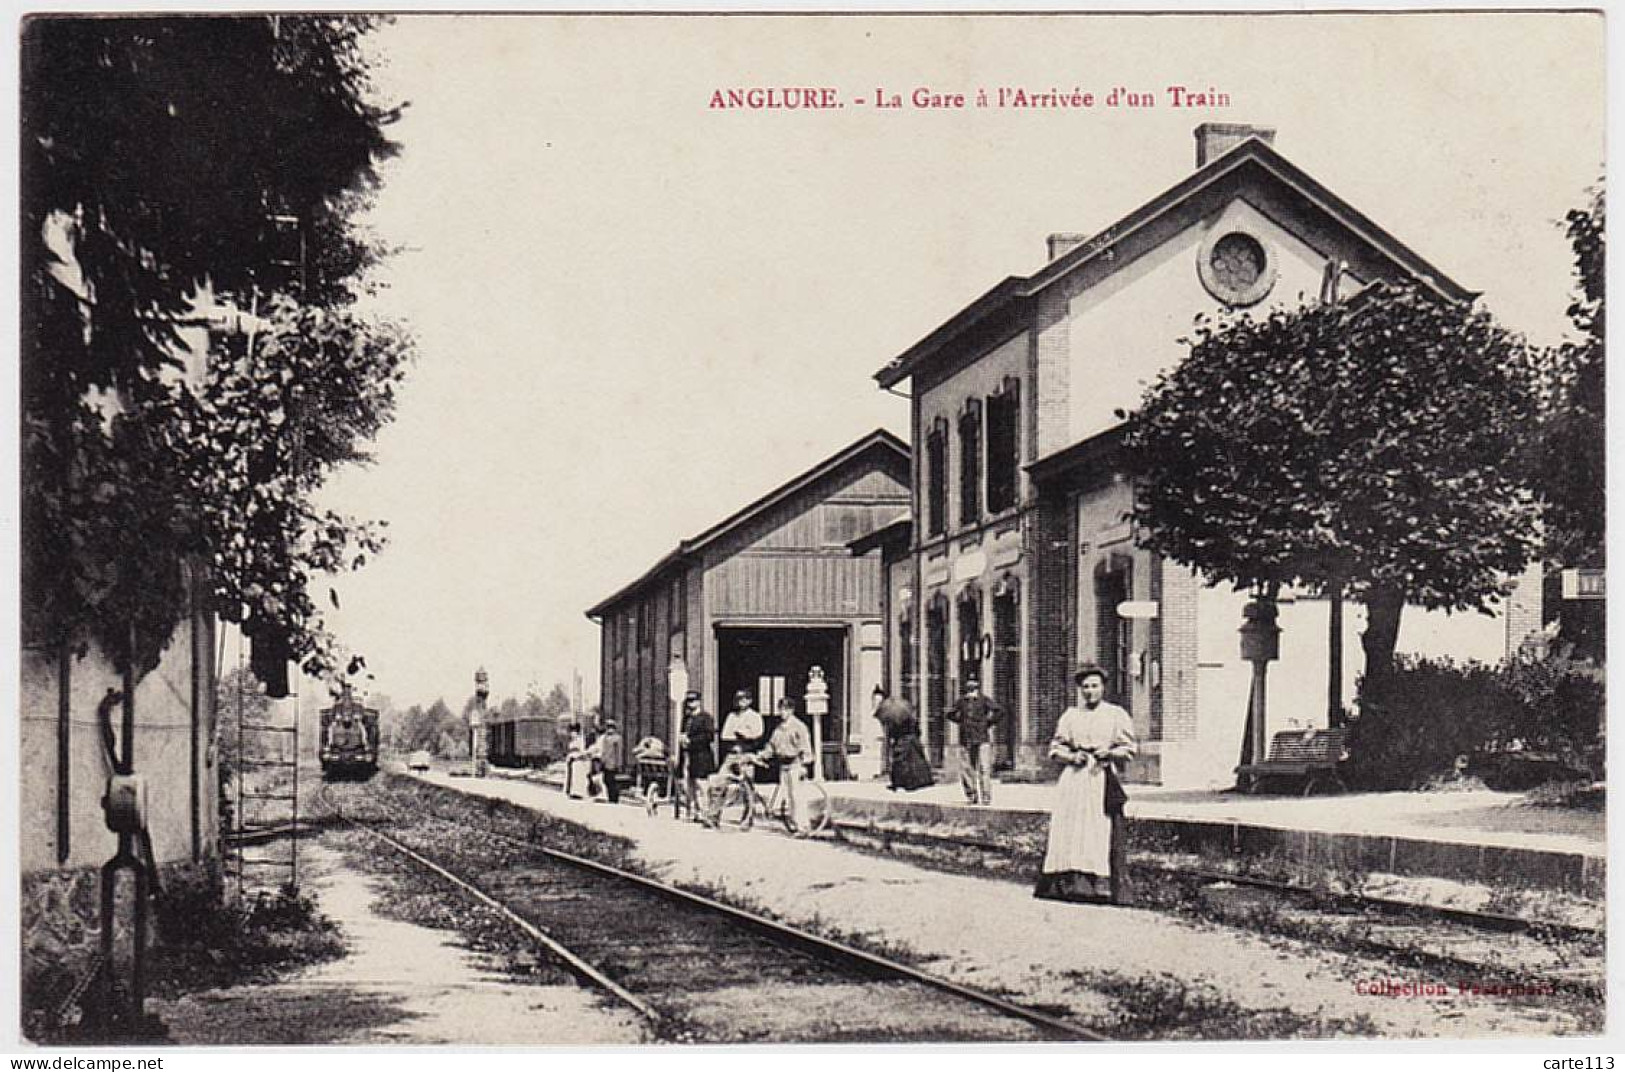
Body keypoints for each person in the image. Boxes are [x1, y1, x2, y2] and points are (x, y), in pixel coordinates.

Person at [1034, 663, 1136, 905]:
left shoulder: (1115, 715)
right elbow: (1055, 748)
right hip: (1075, 779)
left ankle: (1100, 886)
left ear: (1103, 688)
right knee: (1070, 828)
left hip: (1100, 777)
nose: (1090, 691)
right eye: (1085, 687)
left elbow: (1129, 749)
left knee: (1099, 828)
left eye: (1095, 686)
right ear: (1080, 690)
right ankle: (1069, 884)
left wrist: (1109, 752)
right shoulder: (1071, 716)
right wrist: (1071, 757)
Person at [945, 677, 1007, 805]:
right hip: (966, 739)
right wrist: (961, 723)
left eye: (973, 688)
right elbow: (950, 714)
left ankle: (986, 796)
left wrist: (988, 723)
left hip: (982, 738)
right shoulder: (961, 702)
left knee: (984, 768)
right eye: (969, 689)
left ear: (977, 689)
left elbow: (999, 711)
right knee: (967, 768)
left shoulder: (984, 700)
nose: (971, 692)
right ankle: (972, 795)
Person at [757, 697, 814, 836]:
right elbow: (771, 745)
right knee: (789, 796)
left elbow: (805, 746)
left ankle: (803, 826)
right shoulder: (779, 729)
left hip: (796, 764)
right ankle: (794, 823)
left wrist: (805, 764)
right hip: (783, 765)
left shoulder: (799, 727)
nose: (782, 712)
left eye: (785, 709)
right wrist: (762, 755)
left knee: (797, 796)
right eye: (781, 709)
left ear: (791, 710)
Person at [873, 688, 933, 792]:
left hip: (903, 742)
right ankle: (913, 781)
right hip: (912, 741)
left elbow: (893, 732)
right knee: (911, 762)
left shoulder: (896, 720)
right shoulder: (908, 718)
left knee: (901, 763)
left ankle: (902, 782)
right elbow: (918, 731)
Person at [676, 692, 717, 823]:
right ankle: (693, 812)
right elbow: (683, 736)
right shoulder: (686, 719)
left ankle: (705, 813)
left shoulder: (706, 718)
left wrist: (691, 741)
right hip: (688, 756)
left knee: (701, 785)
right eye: (688, 701)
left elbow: (709, 737)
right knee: (689, 786)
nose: (690, 704)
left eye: (693, 701)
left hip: (701, 756)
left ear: (699, 702)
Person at [594, 720, 625, 803]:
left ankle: (614, 797)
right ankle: (611, 796)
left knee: (611, 781)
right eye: (608, 727)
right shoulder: (606, 738)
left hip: (611, 762)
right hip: (607, 762)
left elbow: (618, 752)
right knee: (607, 780)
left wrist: (618, 764)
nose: (609, 729)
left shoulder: (616, 738)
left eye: (610, 727)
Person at [564, 724, 592, 800]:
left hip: (578, 760)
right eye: (572, 732)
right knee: (572, 776)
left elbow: (582, 751)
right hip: (572, 760)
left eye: (574, 732)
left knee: (578, 777)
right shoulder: (572, 741)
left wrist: (578, 756)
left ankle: (578, 793)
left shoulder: (580, 740)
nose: (572, 734)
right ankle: (572, 792)